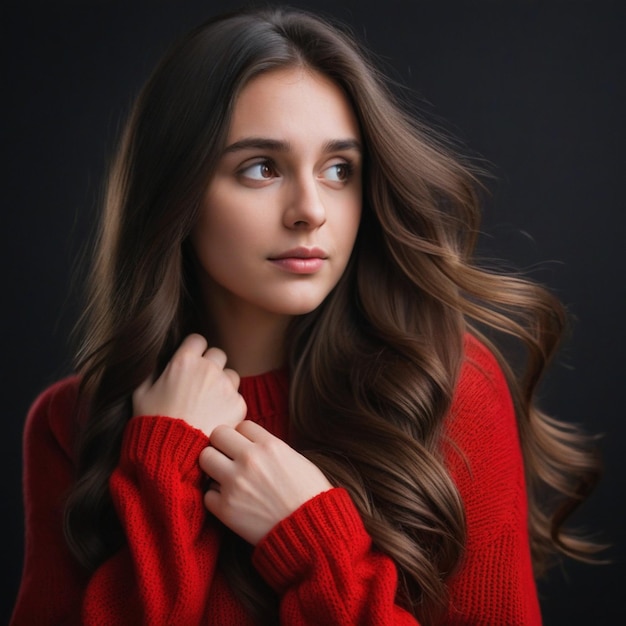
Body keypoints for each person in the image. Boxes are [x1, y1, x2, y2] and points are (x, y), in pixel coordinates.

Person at [11, 6, 601, 625]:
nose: (311, 210)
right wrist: (160, 468)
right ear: (175, 194)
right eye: (262, 168)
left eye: (338, 169)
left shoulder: (448, 392)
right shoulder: (72, 424)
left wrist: (311, 542)